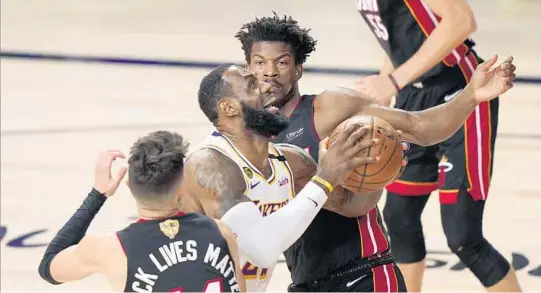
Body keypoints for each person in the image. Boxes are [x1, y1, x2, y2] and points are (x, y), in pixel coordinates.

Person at [235, 12, 516, 292]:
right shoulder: (250, 142)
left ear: (297, 69)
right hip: (306, 284)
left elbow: (421, 127)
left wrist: (470, 96)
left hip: (364, 276)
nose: (269, 72)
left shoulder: (330, 107)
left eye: (281, 62)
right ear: (248, 69)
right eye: (260, 63)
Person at [353, 0, 522, 291]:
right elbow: (399, 37)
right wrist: (384, 83)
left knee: (464, 237)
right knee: (400, 219)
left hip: (463, 94)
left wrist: (391, 82)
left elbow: (462, 20)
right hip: (413, 98)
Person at [180, 64, 380, 291]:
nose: (268, 86)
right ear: (228, 108)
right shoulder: (209, 165)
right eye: (252, 84)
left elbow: (352, 205)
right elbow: (261, 249)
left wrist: (376, 167)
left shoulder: (288, 161)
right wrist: (325, 178)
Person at [38, 131, 246, 292]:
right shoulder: (221, 232)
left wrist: (97, 194)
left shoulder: (110, 249)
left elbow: (49, 267)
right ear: (183, 186)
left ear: (127, 183)